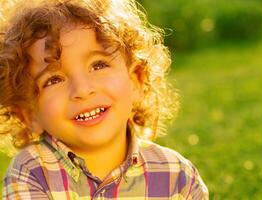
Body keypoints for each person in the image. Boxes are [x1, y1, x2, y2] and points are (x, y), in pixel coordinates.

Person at [0, 0, 208, 199]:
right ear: (29, 115)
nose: (82, 90)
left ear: (136, 79)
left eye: (98, 66)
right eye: (54, 79)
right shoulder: (32, 173)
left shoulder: (177, 177)